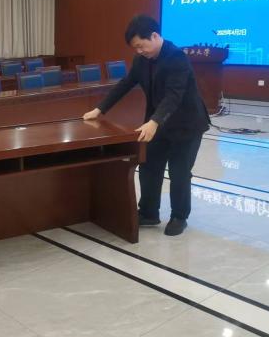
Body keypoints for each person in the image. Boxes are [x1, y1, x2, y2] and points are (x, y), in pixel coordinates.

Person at [83, 15, 209, 236]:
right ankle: (149, 213)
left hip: (186, 124)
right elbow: (125, 84)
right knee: (149, 166)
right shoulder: (142, 60)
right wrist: (99, 109)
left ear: (154, 36)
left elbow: (173, 96)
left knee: (179, 171)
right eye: (135, 48)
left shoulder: (177, 58)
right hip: (157, 123)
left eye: (141, 46)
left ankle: (179, 216)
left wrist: (154, 122)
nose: (139, 51)